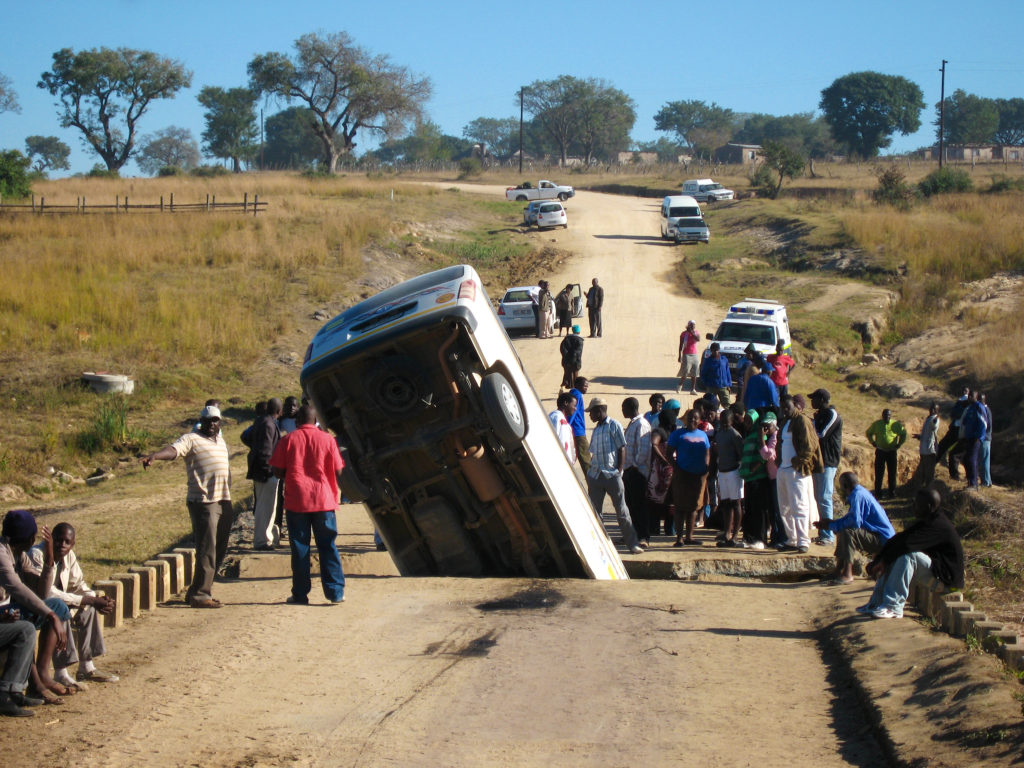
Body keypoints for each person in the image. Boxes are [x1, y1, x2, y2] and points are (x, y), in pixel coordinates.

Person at [142, 404, 232, 609]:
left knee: (219, 546)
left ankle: (198, 589)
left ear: (220, 422)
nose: (212, 424)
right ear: (202, 420)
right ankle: (200, 595)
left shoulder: (220, 440)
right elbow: (174, 450)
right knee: (206, 548)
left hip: (223, 499)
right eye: (208, 420)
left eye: (215, 420)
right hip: (203, 501)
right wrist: (155, 456)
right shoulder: (191, 439)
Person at [269, 404, 346, 605]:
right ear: (316, 421)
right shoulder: (328, 439)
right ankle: (335, 592)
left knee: (300, 548)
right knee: (328, 546)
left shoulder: (288, 440)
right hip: (324, 501)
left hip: (297, 502)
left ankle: (300, 594)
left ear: (296, 422)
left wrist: (293, 476)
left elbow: (277, 470)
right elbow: (338, 471)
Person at [29, 523, 118, 689]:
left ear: (72, 544)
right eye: (58, 540)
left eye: (66, 542)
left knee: (88, 607)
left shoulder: (69, 556)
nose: (62, 545)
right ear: (50, 539)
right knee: (60, 608)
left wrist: (97, 599)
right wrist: (88, 600)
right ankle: (61, 672)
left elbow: (78, 585)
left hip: (57, 602)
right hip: (36, 606)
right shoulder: (37, 554)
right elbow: (48, 594)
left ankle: (87, 667)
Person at [859, 488, 964, 620]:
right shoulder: (929, 519)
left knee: (908, 555)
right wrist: (879, 560)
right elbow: (898, 540)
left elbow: (907, 545)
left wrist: (883, 562)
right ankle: (875, 603)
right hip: (936, 575)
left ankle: (893, 606)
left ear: (929, 507)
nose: (913, 506)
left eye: (917, 504)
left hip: (945, 583)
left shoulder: (939, 526)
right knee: (896, 552)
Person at [0, 510, 70, 705]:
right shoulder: (2, 555)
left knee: (57, 605)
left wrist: (49, 559)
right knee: (35, 619)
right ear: (29, 537)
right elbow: (18, 588)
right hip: (3, 615)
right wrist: (50, 616)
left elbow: (42, 593)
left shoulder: (18, 554)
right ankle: (32, 685)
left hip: (8, 612)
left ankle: (41, 674)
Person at [584, 398, 643, 555]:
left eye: (591, 412)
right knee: (596, 514)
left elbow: (622, 448)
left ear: (599, 410)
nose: (590, 416)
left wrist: (619, 470)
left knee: (622, 511)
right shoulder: (596, 430)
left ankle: (633, 544)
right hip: (596, 476)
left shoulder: (614, 425)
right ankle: (601, 547)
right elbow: (593, 453)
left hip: (612, 475)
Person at [813, 472, 895, 585]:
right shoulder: (860, 492)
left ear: (846, 486)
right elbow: (851, 517)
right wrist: (833, 523)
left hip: (884, 541)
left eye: (842, 486)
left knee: (848, 532)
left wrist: (831, 525)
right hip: (881, 537)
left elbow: (854, 522)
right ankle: (839, 570)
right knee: (844, 529)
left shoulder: (857, 496)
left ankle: (847, 573)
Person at [776, 394, 823, 553]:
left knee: (799, 505)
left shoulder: (802, 420)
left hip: (797, 470)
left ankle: (803, 540)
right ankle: (792, 539)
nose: (785, 410)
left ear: (795, 405)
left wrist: (798, 462)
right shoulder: (784, 422)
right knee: (785, 506)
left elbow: (811, 445)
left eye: (787, 407)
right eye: (783, 408)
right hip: (783, 468)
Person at [242, 397, 283, 550]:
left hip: (261, 471)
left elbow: (246, 437)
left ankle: (267, 538)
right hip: (266, 472)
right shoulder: (269, 424)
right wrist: (268, 471)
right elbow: (266, 451)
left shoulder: (261, 421)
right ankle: (262, 541)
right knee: (266, 508)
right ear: (279, 411)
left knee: (264, 506)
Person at [667, 408, 711, 547]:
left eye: (695, 418)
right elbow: (669, 453)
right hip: (682, 475)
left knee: (693, 508)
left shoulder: (703, 435)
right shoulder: (677, 434)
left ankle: (689, 537)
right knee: (680, 507)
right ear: (686, 419)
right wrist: (677, 468)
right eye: (690, 418)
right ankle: (679, 538)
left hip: (698, 477)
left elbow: (707, 452)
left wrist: (707, 468)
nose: (693, 420)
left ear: (699, 420)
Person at [809, 389, 842, 546]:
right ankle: (823, 532)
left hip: (828, 461)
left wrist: (812, 425)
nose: (812, 402)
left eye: (814, 398)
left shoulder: (831, 414)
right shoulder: (820, 415)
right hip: (818, 461)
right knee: (818, 497)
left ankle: (828, 535)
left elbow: (821, 434)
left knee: (824, 497)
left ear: (822, 399)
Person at [622, 398, 652, 548]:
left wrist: (634, 467)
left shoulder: (642, 424)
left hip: (637, 472)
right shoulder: (633, 423)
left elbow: (644, 449)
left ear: (630, 407)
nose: (622, 411)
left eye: (623, 408)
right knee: (630, 506)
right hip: (629, 471)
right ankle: (632, 535)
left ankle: (643, 537)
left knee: (639, 505)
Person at [738, 410, 770, 550]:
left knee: (759, 510)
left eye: (750, 421)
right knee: (749, 509)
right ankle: (749, 537)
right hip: (748, 479)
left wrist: (752, 468)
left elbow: (764, 456)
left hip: (758, 478)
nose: (747, 424)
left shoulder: (759, 436)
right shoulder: (749, 436)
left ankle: (760, 539)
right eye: (746, 421)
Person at [713, 410, 744, 547]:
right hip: (722, 472)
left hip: (733, 472)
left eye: (727, 420)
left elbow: (741, 454)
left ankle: (735, 534)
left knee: (735, 503)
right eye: (722, 420)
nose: (724, 422)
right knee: (725, 503)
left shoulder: (734, 435)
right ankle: (727, 532)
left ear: (732, 421)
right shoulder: (719, 434)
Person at [866, 409, 907, 498]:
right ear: (882, 416)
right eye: (885, 415)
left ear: (891, 416)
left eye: (889, 415)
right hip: (880, 451)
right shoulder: (877, 424)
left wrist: (899, 444)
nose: (887, 417)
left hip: (892, 452)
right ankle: (878, 493)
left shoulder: (895, 425)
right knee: (879, 473)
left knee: (892, 473)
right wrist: (872, 442)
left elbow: (903, 433)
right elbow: (868, 433)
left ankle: (892, 493)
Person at [935, 387, 969, 480]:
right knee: (958, 453)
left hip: (958, 429)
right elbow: (954, 414)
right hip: (959, 429)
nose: (964, 393)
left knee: (951, 451)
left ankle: (955, 475)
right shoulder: (965, 402)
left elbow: (954, 414)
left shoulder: (965, 402)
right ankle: (960, 475)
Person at [957, 391, 988, 488]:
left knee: (971, 459)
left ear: (976, 397)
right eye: (969, 396)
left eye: (971, 396)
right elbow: (965, 421)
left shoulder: (979, 407)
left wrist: (979, 437)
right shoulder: (970, 408)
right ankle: (970, 481)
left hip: (976, 438)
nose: (969, 397)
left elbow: (984, 423)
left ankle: (974, 484)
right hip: (969, 437)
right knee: (966, 459)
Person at [912, 402, 941, 489]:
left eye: (934, 409)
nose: (932, 410)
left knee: (929, 473)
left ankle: (929, 490)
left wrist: (934, 422)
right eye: (931, 408)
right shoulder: (928, 419)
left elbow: (934, 428)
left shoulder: (935, 419)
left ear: (937, 411)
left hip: (930, 450)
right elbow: (927, 433)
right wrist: (920, 436)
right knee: (923, 472)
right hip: (924, 449)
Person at [568, 377, 592, 474]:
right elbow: (572, 413)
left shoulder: (574, 394)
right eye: (584, 386)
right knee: (586, 460)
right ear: (577, 385)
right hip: (578, 431)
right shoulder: (577, 395)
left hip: (577, 430)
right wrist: (567, 425)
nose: (586, 388)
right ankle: (592, 482)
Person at [547, 392, 577, 465]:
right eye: (574, 405)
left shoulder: (562, 420)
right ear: (566, 403)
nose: (575, 408)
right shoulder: (556, 418)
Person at [677, 321, 700, 393]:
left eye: (694, 325)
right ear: (689, 325)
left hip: (694, 354)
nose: (693, 326)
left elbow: (698, 339)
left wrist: (691, 332)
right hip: (686, 354)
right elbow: (681, 345)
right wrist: (679, 355)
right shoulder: (683, 334)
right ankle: (680, 385)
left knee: (695, 371)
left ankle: (693, 389)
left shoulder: (696, 333)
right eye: (692, 325)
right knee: (686, 370)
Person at [559, 325, 584, 389]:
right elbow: (578, 351)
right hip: (576, 362)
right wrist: (573, 358)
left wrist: (567, 357)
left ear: (572, 331)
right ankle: (575, 389)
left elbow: (562, 349)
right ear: (579, 332)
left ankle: (566, 385)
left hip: (566, 361)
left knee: (567, 373)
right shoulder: (580, 340)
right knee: (575, 375)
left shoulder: (566, 339)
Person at [978, 393, 993, 487]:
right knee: (985, 461)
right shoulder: (987, 410)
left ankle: (985, 482)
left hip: (985, 438)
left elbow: (987, 425)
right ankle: (988, 481)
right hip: (987, 438)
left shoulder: (985, 410)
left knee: (983, 461)